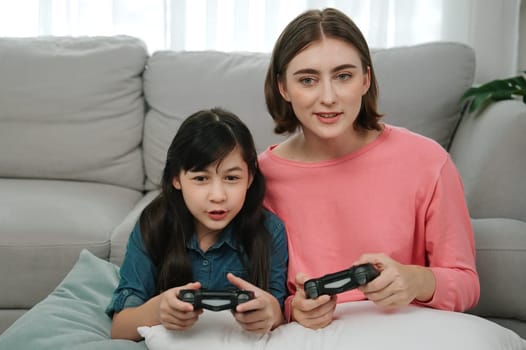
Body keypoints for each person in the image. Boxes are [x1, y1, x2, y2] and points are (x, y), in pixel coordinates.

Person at [259, 8, 479, 330]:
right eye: (308, 80)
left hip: (406, 333)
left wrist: (417, 280)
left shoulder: (427, 160)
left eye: (343, 76)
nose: (328, 97)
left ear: (366, 79)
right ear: (283, 88)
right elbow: (262, 293)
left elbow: (467, 284)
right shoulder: (258, 178)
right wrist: (293, 308)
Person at [107, 108, 289, 340]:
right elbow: (119, 328)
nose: (218, 196)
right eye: (201, 179)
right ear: (176, 179)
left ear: (250, 179)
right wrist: (158, 309)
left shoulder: (269, 231)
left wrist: (269, 314)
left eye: (231, 178)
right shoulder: (154, 226)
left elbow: (281, 316)